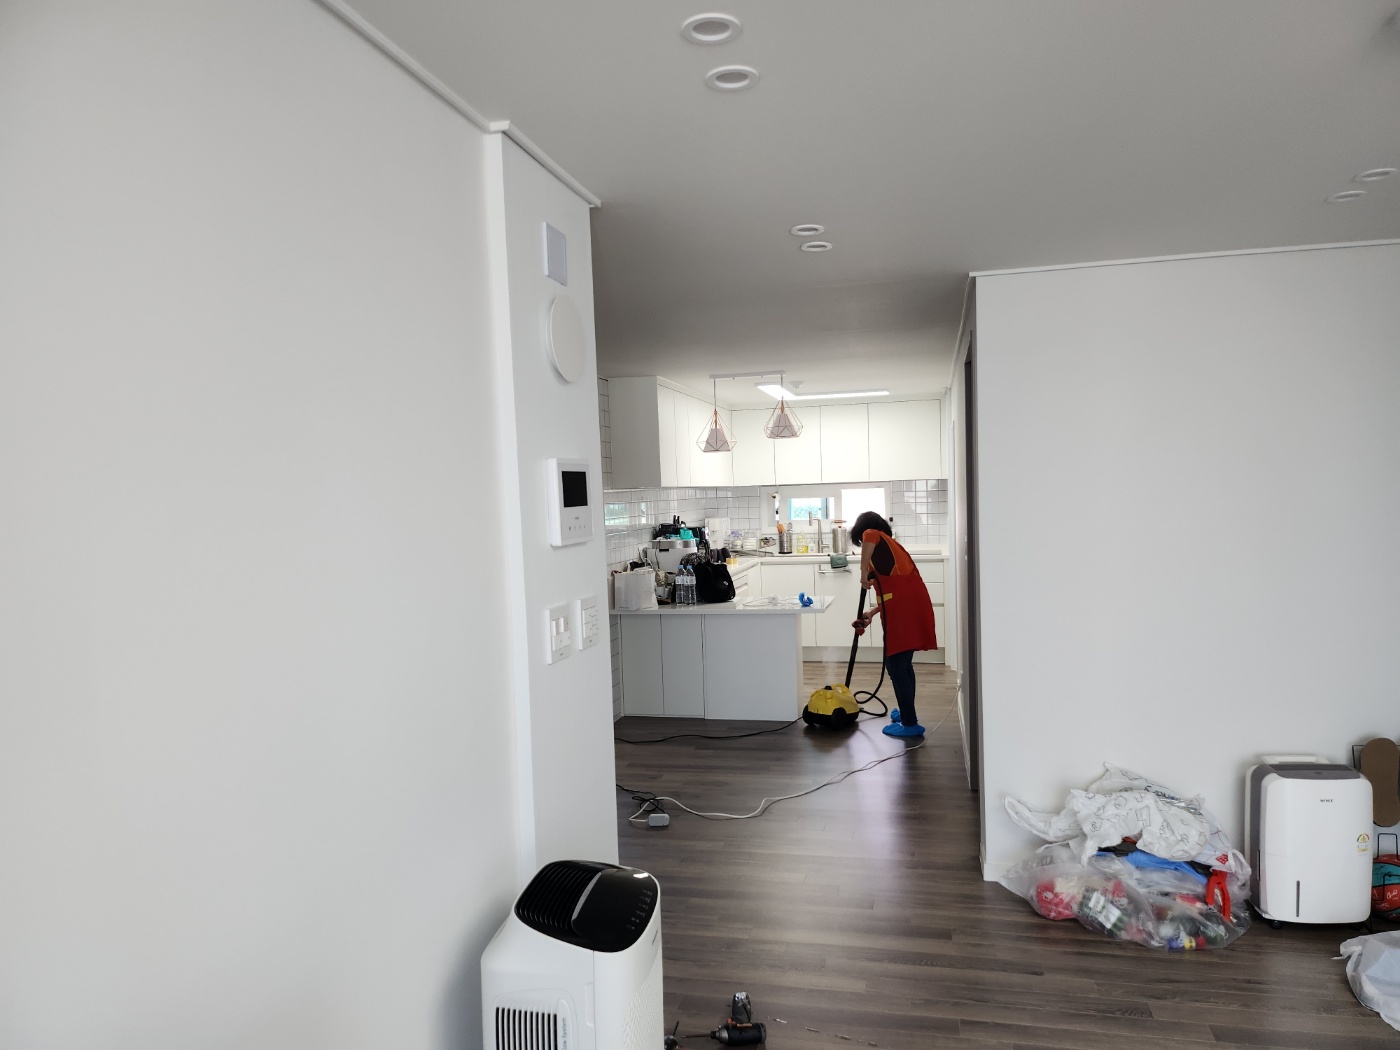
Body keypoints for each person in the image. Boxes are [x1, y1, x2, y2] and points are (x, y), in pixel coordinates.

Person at [848, 511, 938, 738]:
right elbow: (892, 592)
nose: (862, 544)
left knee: (896, 664)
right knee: (904, 663)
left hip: (903, 611)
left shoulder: (873, 534)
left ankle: (910, 723)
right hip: (908, 607)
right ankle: (907, 712)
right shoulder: (889, 547)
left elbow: (868, 535)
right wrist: (872, 613)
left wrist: (862, 574)